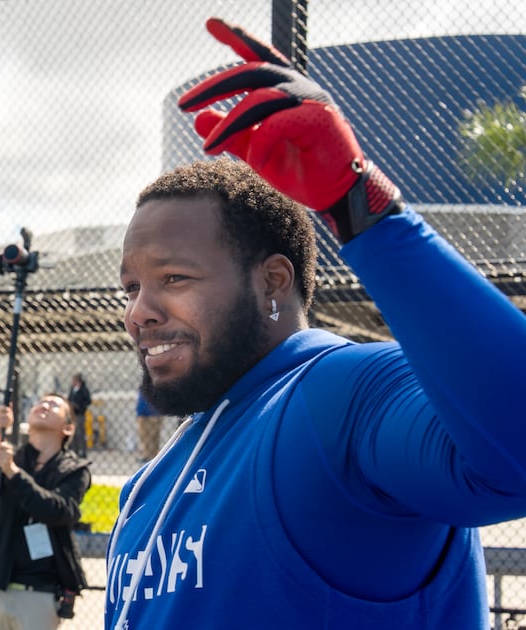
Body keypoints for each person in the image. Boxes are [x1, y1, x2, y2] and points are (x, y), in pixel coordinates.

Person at [104, 17, 526, 629]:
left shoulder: (340, 394)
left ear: (273, 281)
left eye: (174, 279)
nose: (139, 310)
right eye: (131, 286)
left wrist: (364, 209)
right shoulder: (146, 484)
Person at [0, 394, 91, 630]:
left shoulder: (74, 470)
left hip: (40, 595)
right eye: (40, 402)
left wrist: (13, 473)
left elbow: (58, 510)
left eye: (53, 405)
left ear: (68, 428)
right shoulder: (10, 456)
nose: (43, 405)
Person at [134, 388, 162, 461]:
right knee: (151, 436)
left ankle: (148, 455)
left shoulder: (148, 387)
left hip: (148, 415)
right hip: (152, 414)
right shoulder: (152, 385)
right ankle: (152, 454)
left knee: (147, 436)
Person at [67, 374, 92, 456]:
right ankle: (75, 451)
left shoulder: (83, 390)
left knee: (80, 433)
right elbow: (69, 398)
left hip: (80, 414)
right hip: (73, 414)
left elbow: (88, 401)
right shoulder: (72, 389)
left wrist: (79, 406)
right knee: (73, 433)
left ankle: (83, 451)